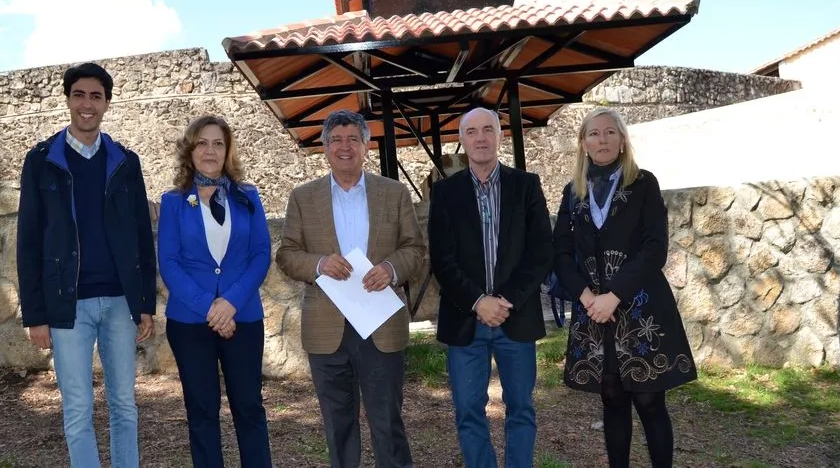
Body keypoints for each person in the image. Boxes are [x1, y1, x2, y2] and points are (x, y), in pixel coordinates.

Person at [16, 62, 157, 468]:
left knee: (124, 406)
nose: (87, 104)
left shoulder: (126, 162)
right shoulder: (41, 161)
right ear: (67, 99)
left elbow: (140, 237)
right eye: (79, 94)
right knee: (77, 410)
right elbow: (28, 241)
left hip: (118, 302)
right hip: (67, 307)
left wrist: (144, 301)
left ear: (107, 103)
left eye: (96, 96)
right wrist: (35, 313)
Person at [275, 110, 425, 468]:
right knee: (338, 425)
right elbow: (286, 255)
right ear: (324, 148)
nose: (345, 147)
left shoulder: (394, 192)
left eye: (352, 139)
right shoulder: (302, 197)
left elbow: (415, 250)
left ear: (366, 145)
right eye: (336, 140)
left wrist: (390, 268)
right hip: (326, 331)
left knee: (387, 422)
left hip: (380, 326)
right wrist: (318, 264)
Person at [553, 107, 697, 468]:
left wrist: (613, 295)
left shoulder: (644, 183)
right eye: (593, 134)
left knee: (650, 401)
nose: (601, 139)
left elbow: (654, 249)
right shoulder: (573, 192)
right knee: (612, 398)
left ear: (621, 141)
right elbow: (560, 252)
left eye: (609, 133)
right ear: (583, 144)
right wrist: (587, 298)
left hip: (641, 306)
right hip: (593, 313)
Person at [428, 106, 554, 468]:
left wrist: (505, 300)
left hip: (515, 318)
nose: (480, 138)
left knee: (521, 408)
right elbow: (442, 260)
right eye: (472, 132)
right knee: (468, 410)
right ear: (463, 140)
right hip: (466, 321)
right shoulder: (446, 193)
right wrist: (478, 302)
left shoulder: (526, 186)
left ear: (501, 136)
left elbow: (540, 250)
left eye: (488, 130)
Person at [157, 115, 273, 467]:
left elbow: (260, 254)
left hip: (243, 318)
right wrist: (211, 308)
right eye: (202, 143)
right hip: (191, 322)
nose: (210, 150)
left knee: (249, 406)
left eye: (218, 143)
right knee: (202, 410)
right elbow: (170, 262)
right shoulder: (175, 202)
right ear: (190, 150)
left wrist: (231, 303)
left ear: (228, 151)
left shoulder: (248, 197)